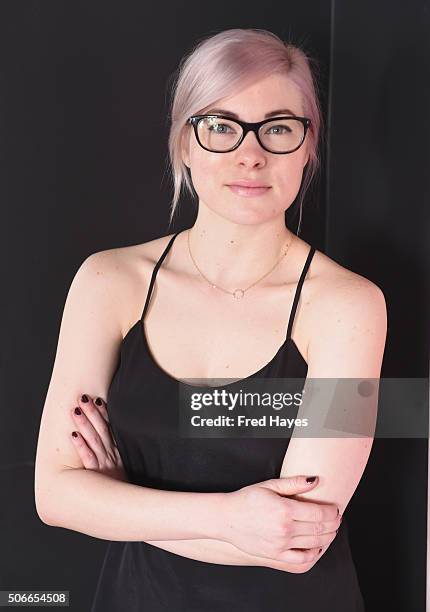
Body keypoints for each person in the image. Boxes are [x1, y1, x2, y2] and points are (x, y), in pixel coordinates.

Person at [34, 28, 387, 611]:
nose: (251, 154)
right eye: (221, 126)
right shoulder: (109, 281)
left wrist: (119, 501)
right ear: (184, 143)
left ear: (308, 146)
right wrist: (229, 516)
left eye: (278, 128)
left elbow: (295, 540)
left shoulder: (350, 306)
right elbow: (53, 494)